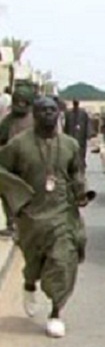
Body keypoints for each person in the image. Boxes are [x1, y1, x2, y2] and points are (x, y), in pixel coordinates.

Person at [0, 96, 95, 338]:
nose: (49, 114)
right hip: (32, 215)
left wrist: (81, 191)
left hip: (63, 213)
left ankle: (55, 312)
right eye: (43, 110)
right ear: (35, 113)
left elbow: (76, 172)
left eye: (53, 110)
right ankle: (30, 283)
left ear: (59, 114)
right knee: (34, 262)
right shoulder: (18, 145)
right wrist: (17, 197)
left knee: (63, 261)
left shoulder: (70, 145)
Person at [0, 86, 35, 238]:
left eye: (23, 102)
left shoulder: (36, 120)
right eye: (18, 102)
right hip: (11, 164)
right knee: (7, 192)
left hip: (31, 164)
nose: (20, 105)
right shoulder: (8, 120)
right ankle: (12, 223)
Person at [64, 99, 92, 175]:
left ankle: (81, 166)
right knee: (71, 152)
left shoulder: (83, 114)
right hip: (71, 137)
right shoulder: (68, 114)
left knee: (81, 153)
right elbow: (66, 126)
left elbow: (87, 124)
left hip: (81, 137)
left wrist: (88, 134)